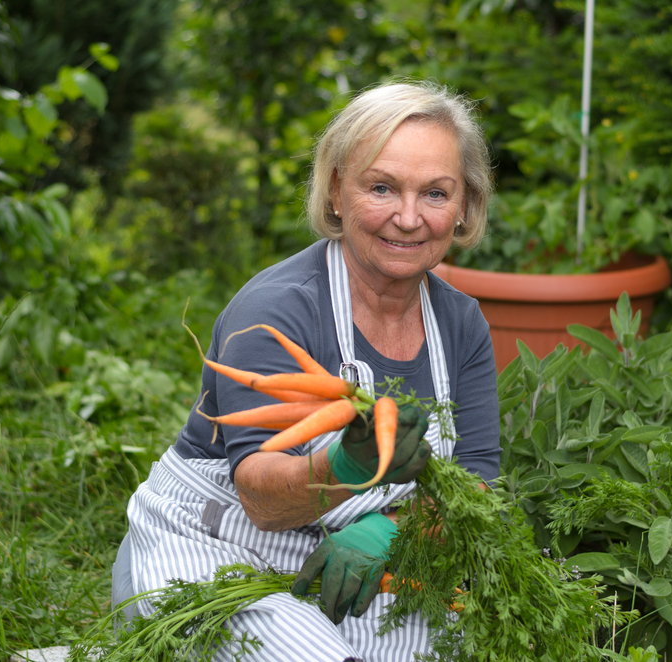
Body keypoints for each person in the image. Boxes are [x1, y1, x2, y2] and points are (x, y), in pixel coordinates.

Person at [111, 79, 501, 662]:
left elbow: (475, 485)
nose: (408, 217)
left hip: (351, 562)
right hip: (215, 549)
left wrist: (390, 529)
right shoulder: (277, 309)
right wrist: (345, 467)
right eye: (381, 187)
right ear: (337, 191)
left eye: (436, 194)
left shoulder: (460, 324)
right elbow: (261, 500)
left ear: (465, 205)